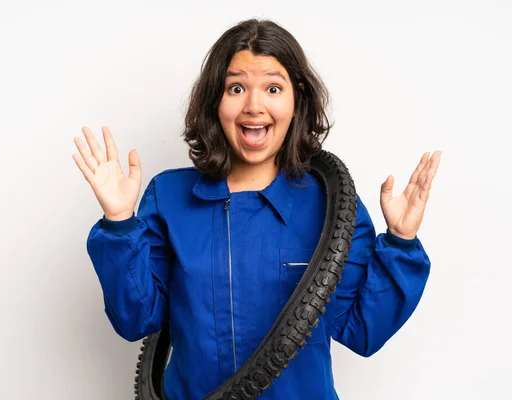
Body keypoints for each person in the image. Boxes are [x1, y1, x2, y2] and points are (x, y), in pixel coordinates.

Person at [72, 18, 442, 400]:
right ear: (216, 100)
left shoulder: (332, 207)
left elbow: (363, 331)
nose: (254, 106)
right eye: (236, 88)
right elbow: (137, 321)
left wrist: (401, 242)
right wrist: (119, 223)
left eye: (272, 88)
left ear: (295, 98)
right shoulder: (168, 196)